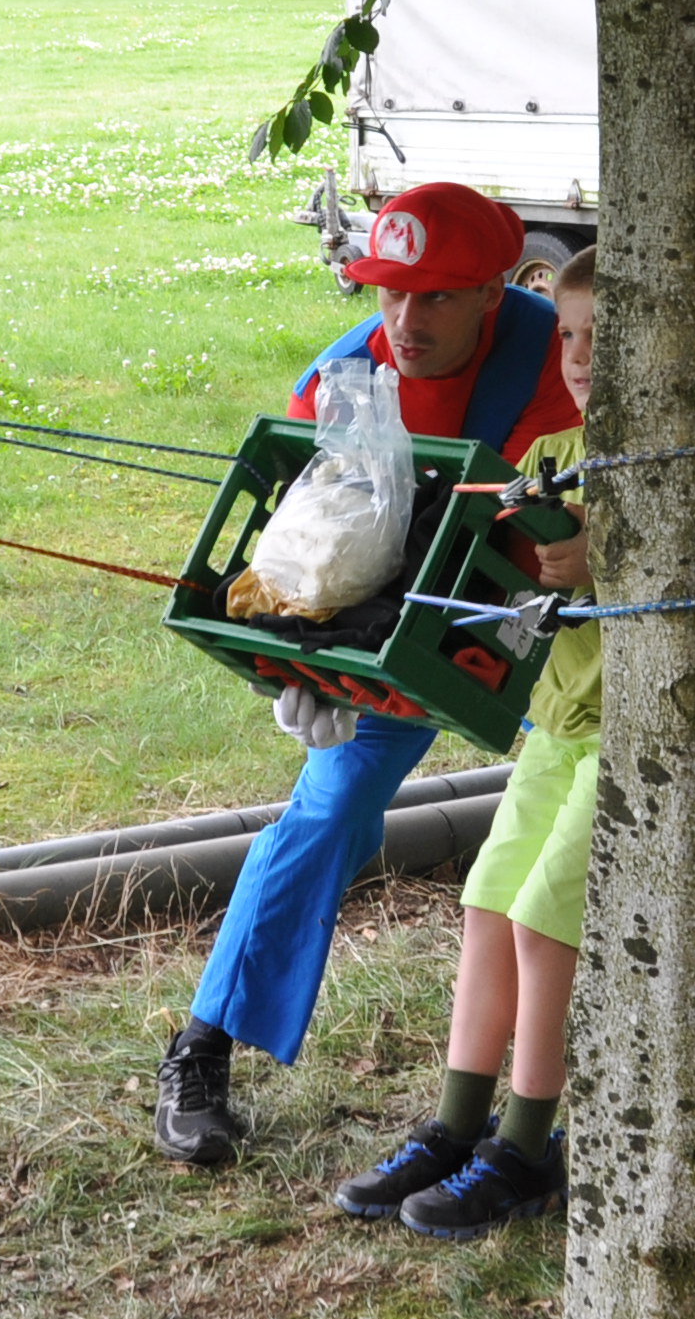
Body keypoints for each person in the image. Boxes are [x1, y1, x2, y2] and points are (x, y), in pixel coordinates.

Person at [152, 180, 580, 1167]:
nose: (404, 319)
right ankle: (201, 1049)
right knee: (329, 806)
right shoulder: (339, 386)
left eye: (434, 296)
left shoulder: (562, 353)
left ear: (492, 292)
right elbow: (302, 563)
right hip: (419, 627)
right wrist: (301, 676)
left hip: (578, 626)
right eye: (388, 292)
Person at [330, 247, 599, 1240]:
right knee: (486, 902)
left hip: (624, 736)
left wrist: (601, 556)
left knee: (541, 917)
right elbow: (495, 598)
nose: (576, 356)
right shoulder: (546, 454)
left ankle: (525, 1146)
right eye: (567, 333)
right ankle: (456, 1125)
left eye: (601, 339)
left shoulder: (676, 466)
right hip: (556, 726)